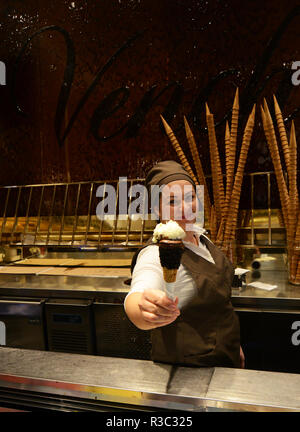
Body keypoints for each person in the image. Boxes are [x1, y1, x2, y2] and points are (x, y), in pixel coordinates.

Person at [124, 160, 245, 368]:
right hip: (190, 371)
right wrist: (143, 310)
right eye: (172, 201)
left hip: (225, 359)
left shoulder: (200, 236)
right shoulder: (157, 252)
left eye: (190, 198)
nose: (185, 208)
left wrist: (235, 348)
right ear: (156, 208)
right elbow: (139, 292)